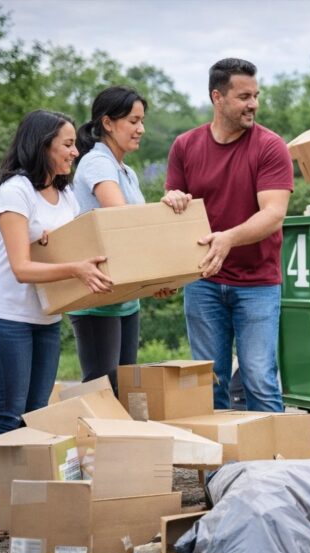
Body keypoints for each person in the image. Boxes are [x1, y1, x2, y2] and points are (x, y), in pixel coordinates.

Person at [0, 110, 113, 539]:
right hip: (2, 314)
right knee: (7, 411)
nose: (75, 151)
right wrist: (76, 268)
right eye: (67, 144)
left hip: (43, 317)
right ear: (42, 145)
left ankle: (23, 502)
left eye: (74, 144)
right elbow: (22, 268)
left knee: (34, 415)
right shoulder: (15, 193)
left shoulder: (65, 196)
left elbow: (76, 250)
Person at [165, 58, 293, 412]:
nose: (253, 104)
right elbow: (174, 209)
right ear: (217, 98)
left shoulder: (270, 147)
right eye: (243, 96)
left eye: (256, 95)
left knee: (259, 377)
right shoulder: (185, 146)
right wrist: (172, 199)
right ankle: (220, 467)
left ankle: (274, 466)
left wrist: (227, 238)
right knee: (208, 382)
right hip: (203, 280)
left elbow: (274, 214)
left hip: (257, 283)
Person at [70, 86, 192, 393]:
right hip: (99, 299)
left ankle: (118, 442)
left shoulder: (127, 171)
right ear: (108, 123)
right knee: (102, 389)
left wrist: (158, 279)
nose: (141, 129)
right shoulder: (97, 162)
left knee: (124, 389)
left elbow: (136, 237)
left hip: (125, 299)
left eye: (142, 121)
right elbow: (123, 222)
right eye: (134, 121)